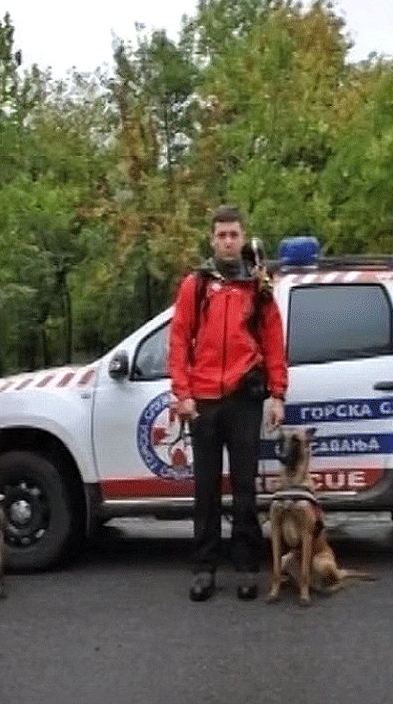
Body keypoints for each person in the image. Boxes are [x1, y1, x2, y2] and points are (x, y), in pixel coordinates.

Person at [168, 205, 288, 602]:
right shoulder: (196, 285)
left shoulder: (258, 286)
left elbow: (273, 341)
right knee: (205, 492)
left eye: (234, 234)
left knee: (244, 490)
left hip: (244, 399)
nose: (228, 241)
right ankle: (204, 569)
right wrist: (182, 393)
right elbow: (179, 340)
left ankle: (247, 570)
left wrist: (278, 394)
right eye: (221, 235)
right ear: (212, 239)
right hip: (202, 401)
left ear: (243, 236)